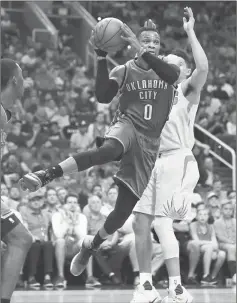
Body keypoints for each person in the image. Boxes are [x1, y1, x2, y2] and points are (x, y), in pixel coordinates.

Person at [20, 19, 180, 302]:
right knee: (106, 151)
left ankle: (91, 245)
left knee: (120, 215)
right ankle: (47, 174)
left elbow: (170, 75)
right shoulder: (125, 69)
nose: (151, 45)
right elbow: (103, 96)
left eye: (155, 42)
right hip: (127, 127)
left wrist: (143, 50)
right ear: (133, 44)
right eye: (146, 41)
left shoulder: (169, 70)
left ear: (159, 47)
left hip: (149, 146)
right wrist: (101, 59)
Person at [132, 7, 208, 303]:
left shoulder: (187, 90)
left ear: (183, 71)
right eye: (166, 62)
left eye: (174, 64)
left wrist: (190, 32)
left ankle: (165, 288)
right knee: (149, 222)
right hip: (155, 160)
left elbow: (202, 69)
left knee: (155, 222)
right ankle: (160, 288)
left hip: (177, 159)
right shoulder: (155, 91)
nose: (167, 66)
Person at [1, 58, 33, 303]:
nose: (25, 81)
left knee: (14, 242)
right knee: (20, 238)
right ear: (14, 79)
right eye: (22, 75)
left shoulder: (5, 112)